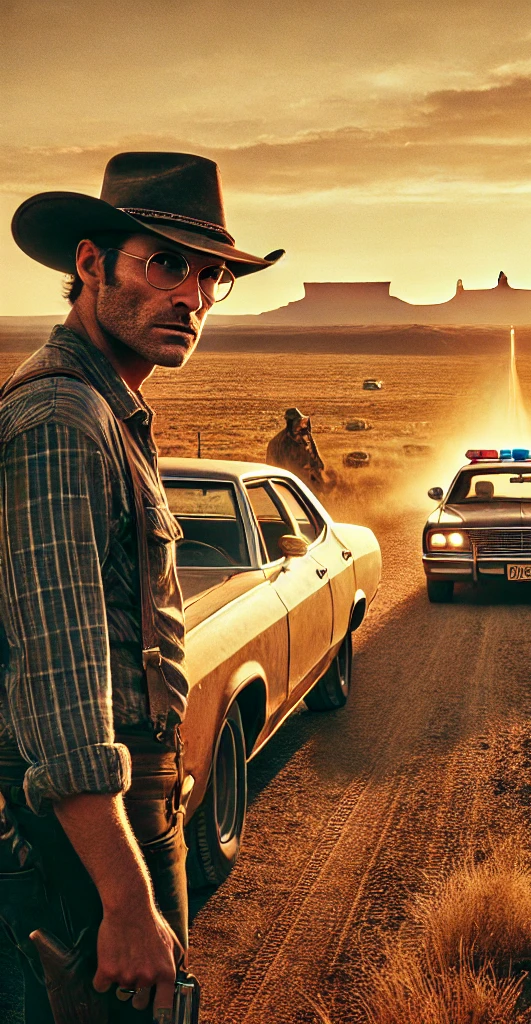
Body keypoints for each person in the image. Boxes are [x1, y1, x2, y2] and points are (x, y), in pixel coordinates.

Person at [0, 152, 282, 1022]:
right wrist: (124, 900)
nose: (193, 296)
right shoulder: (62, 422)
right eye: (164, 263)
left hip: (122, 813)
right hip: (87, 833)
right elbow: (59, 682)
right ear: (90, 265)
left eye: (209, 276)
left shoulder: (104, 409)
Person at [266, 407, 327, 488]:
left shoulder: (304, 436)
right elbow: (278, 467)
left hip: (308, 477)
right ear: (291, 422)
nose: (301, 425)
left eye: (300, 421)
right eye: (297, 422)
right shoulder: (280, 442)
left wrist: (318, 467)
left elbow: (313, 454)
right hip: (288, 481)